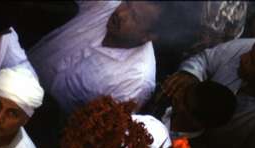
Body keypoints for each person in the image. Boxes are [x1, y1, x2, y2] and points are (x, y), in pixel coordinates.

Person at [28, 1, 168, 114]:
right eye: (127, 3)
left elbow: (95, 128)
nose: (121, 13)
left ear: (149, 37)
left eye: (134, 17)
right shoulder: (106, 4)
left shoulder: (134, 82)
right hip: (17, 71)